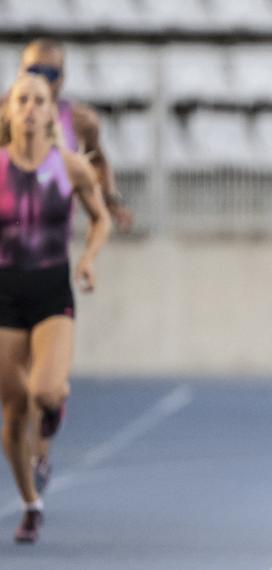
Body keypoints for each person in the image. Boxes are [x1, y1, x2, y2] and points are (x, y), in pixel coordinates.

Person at [17, 38, 134, 493]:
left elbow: (98, 161)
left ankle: (40, 454)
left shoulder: (79, 120)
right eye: (33, 72)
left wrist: (111, 200)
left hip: (50, 259)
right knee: (17, 381)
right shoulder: (7, 113)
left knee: (43, 383)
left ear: (62, 79)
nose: (41, 82)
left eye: (50, 74)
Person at [0, 73, 111, 543]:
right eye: (21, 100)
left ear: (51, 111)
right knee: (13, 413)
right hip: (4, 294)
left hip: (51, 292)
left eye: (38, 101)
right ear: (9, 111)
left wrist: (87, 259)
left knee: (45, 392)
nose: (29, 108)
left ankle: (53, 409)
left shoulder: (69, 166)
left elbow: (101, 218)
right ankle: (31, 503)